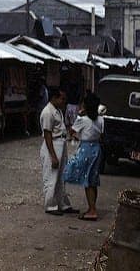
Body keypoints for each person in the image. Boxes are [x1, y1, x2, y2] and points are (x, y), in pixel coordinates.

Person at [63, 93, 104, 221]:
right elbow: (101, 135)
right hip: (96, 148)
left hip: (86, 149)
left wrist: (80, 115)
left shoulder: (82, 120)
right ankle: (92, 207)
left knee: (87, 181)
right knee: (93, 179)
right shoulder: (101, 119)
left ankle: (92, 210)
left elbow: (71, 131)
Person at [39, 87, 78, 216]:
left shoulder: (58, 111)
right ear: (54, 98)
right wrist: (53, 156)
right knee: (51, 177)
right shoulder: (48, 112)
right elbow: (47, 134)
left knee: (62, 177)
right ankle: (50, 205)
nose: (63, 101)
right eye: (62, 98)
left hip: (61, 143)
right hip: (53, 144)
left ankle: (63, 204)